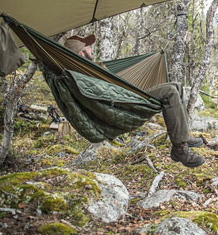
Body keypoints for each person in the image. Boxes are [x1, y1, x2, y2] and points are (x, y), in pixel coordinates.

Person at [64, 34, 205, 168]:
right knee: (171, 92)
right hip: (124, 102)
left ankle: (183, 137)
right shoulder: (84, 73)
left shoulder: (91, 68)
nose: (91, 48)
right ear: (81, 54)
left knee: (176, 86)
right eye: (88, 46)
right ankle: (180, 148)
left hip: (126, 96)